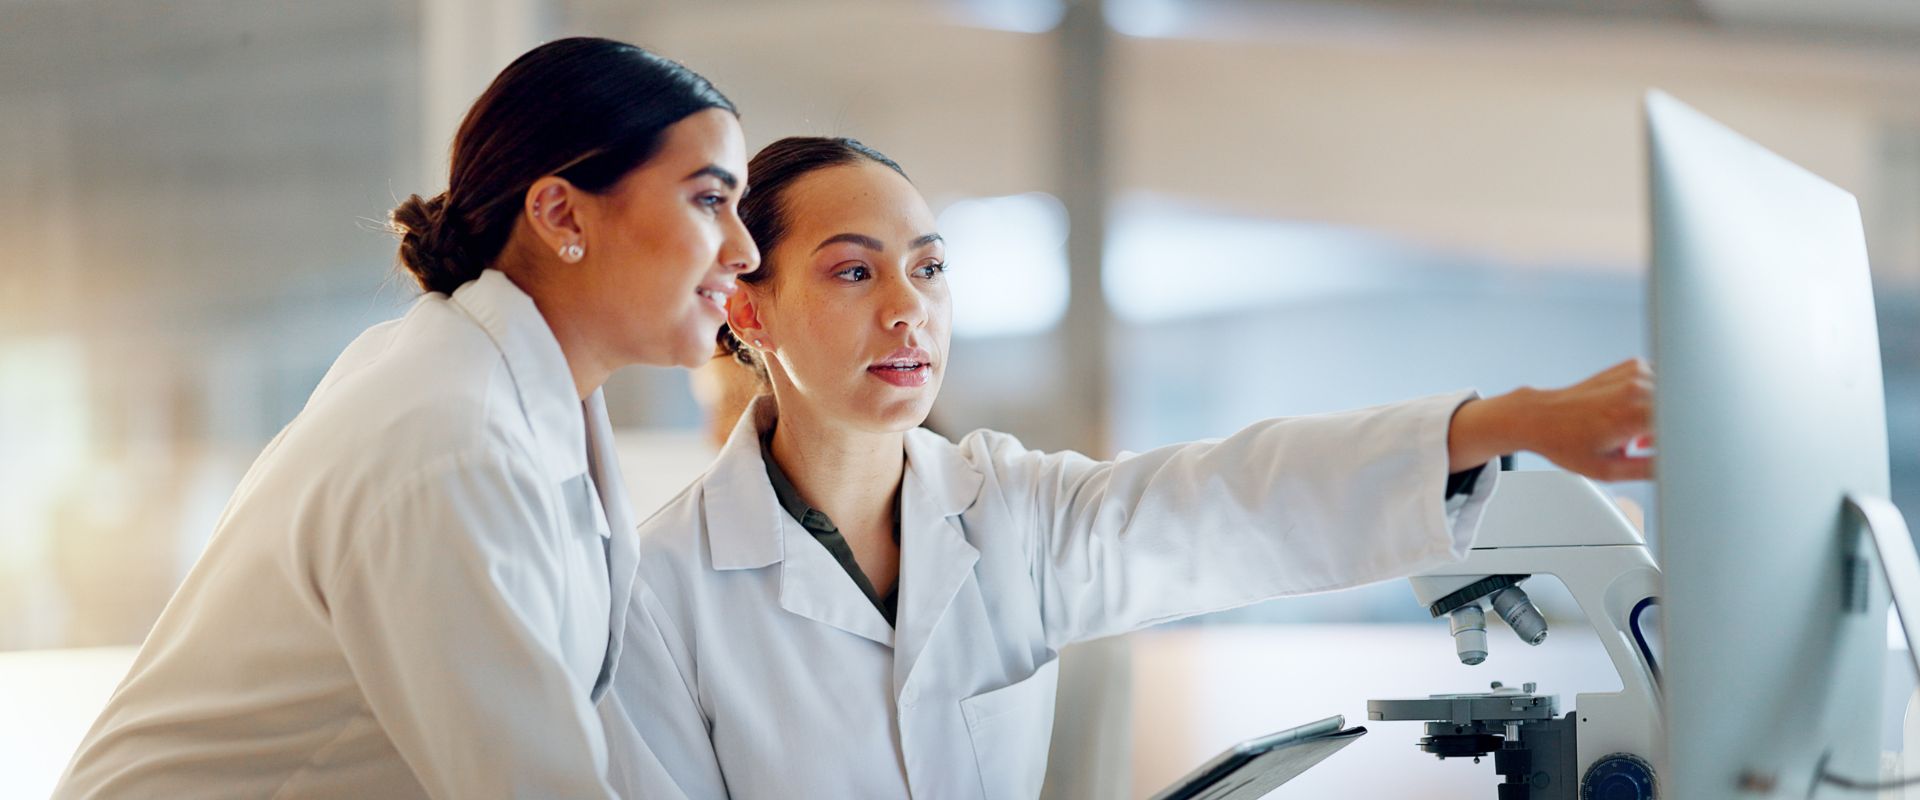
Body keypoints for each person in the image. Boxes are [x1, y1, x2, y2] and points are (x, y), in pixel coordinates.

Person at [598, 136, 1654, 799]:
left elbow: (1232, 498)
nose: (906, 305)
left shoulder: (1011, 508)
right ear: (747, 306)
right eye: (852, 270)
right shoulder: (660, 594)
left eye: (928, 267)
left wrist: (1510, 420)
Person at [56, 37, 757, 799]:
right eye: (709, 200)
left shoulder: (503, 393)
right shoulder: (454, 440)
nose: (745, 250)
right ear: (561, 213)